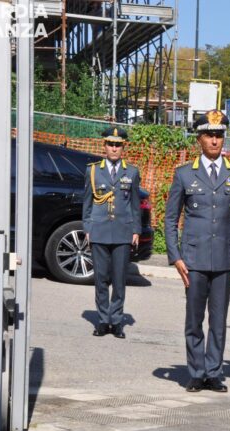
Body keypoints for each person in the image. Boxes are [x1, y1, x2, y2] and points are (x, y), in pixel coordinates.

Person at [164, 110, 230, 393]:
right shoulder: (185, 174)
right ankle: (196, 372)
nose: (215, 140)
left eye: (219, 135)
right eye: (209, 135)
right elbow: (170, 218)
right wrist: (175, 256)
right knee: (194, 320)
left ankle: (214, 372)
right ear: (199, 138)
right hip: (194, 259)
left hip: (224, 259)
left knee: (220, 321)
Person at [82, 127, 141, 339]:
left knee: (119, 279)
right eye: (111, 144)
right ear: (104, 146)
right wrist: (87, 228)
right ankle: (102, 320)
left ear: (123, 147)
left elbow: (135, 204)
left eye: (118, 145)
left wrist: (136, 230)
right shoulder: (93, 170)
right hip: (98, 230)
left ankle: (116, 321)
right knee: (100, 278)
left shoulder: (131, 172)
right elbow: (87, 202)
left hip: (123, 232)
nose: (114, 148)